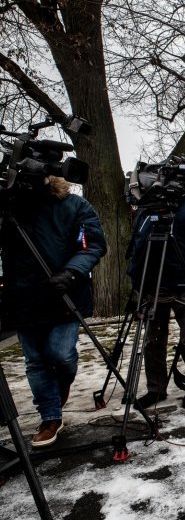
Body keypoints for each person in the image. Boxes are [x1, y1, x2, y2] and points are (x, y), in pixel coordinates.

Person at [0, 177, 107, 447]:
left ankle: (61, 386)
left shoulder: (74, 205)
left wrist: (72, 272)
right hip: (23, 297)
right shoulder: (9, 208)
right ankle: (50, 417)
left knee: (60, 353)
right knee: (36, 361)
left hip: (64, 294)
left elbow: (92, 244)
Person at [127, 192, 185, 409]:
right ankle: (155, 389)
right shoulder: (148, 208)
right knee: (153, 340)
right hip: (154, 285)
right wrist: (138, 280)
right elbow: (137, 245)